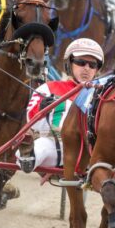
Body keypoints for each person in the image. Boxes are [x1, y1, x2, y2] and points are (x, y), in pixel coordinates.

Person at [18, 38, 105, 174]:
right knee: (40, 148)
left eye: (92, 65)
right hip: (55, 143)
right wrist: (41, 107)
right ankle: (28, 157)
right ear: (69, 64)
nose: (86, 68)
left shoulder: (102, 95)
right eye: (81, 62)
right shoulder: (49, 88)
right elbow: (30, 119)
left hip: (88, 149)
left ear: (97, 69)